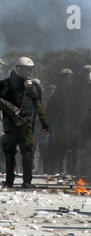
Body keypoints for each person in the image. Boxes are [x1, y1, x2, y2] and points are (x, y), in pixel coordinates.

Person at [0, 57, 49, 188]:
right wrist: (11, 109)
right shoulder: (5, 85)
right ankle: (9, 181)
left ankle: (27, 181)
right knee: (9, 150)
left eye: (30, 70)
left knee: (27, 150)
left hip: (26, 124)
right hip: (10, 123)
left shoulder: (33, 87)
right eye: (25, 70)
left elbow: (39, 105)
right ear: (17, 69)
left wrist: (45, 123)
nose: (28, 73)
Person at [46, 68, 78, 174]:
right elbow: (50, 110)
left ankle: (75, 170)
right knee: (59, 147)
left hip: (73, 124)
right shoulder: (56, 95)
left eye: (68, 77)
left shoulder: (75, 92)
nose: (67, 80)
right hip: (59, 124)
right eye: (64, 77)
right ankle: (60, 169)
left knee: (76, 146)